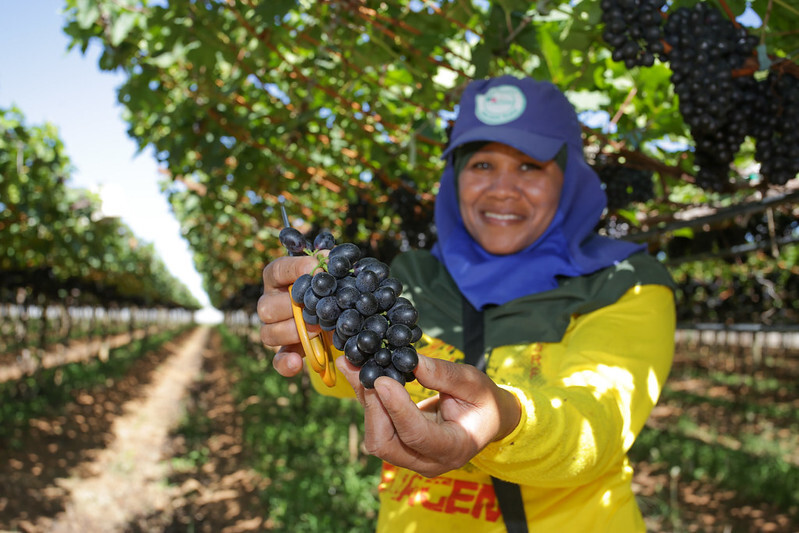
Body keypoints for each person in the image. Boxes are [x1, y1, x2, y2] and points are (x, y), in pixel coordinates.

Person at [258, 75, 676, 532]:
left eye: (529, 166)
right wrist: (319, 327)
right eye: (481, 165)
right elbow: (349, 373)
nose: (501, 189)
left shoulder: (625, 282)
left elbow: (597, 424)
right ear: (455, 177)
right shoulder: (413, 275)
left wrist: (502, 419)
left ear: (570, 176)